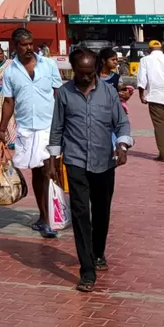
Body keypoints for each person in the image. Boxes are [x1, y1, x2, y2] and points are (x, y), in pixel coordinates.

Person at [46, 48, 133, 292]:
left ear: (95, 70)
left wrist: (123, 145)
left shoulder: (109, 93)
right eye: (81, 74)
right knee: (81, 214)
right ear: (74, 70)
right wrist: (53, 161)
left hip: (105, 162)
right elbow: (57, 128)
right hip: (75, 162)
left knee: (102, 211)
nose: (85, 78)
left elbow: (121, 122)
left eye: (89, 73)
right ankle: (87, 272)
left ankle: (98, 253)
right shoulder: (64, 94)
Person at [0, 28, 64, 237]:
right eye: (23, 44)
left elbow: (59, 93)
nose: (28, 48)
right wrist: (2, 128)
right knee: (37, 171)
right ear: (15, 46)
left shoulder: (48, 64)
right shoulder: (11, 71)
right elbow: (8, 101)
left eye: (30, 43)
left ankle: (56, 214)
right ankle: (44, 216)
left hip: (49, 125)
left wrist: (66, 120)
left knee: (49, 169)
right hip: (26, 127)